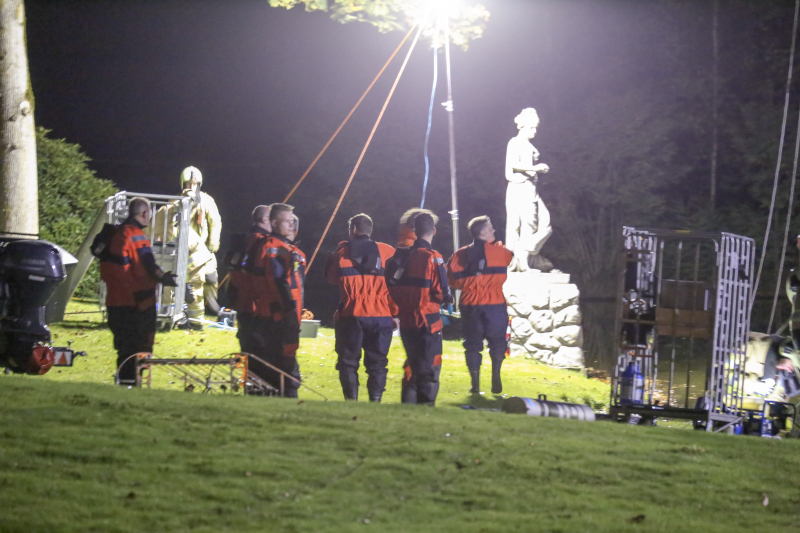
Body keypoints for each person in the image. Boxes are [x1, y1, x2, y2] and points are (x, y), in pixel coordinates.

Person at [98, 197, 177, 385]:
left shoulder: (113, 234)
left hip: (115, 302)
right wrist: (164, 278)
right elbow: (148, 265)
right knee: (139, 350)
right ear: (144, 214)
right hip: (137, 304)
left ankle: (124, 384)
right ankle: (132, 384)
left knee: (124, 349)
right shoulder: (136, 236)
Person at [325, 214, 399, 402]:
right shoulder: (388, 251)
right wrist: (395, 313)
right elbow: (395, 286)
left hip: (352, 313)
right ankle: (375, 401)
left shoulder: (342, 251)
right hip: (382, 316)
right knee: (378, 363)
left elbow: (332, 279)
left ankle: (352, 401)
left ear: (354, 230)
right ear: (370, 230)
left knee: (348, 362)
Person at [386, 213, 452, 405]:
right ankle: (426, 407)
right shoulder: (433, 258)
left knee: (412, 365)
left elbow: (390, 286)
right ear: (433, 231)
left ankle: (408, 407)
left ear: (414, 231)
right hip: (428, 322)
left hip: (406, 321)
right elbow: (441, 292)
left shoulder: (399, 257)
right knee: (430, 367)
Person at [447, 216, 513, 394]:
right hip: (494, 303)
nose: (494, 230)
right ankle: (496, 377)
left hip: (470, 303)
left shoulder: (460, 254)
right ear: (482, 232)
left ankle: (475, 384)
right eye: (490, 227)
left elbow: (452, 281)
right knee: (498, 341)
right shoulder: (501, 252)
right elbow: (510, 258)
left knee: (472, 343)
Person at [247, 203, 302, 397]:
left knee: (275, 363)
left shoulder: (280, 246)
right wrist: (289, 312)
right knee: (283, 365)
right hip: (278, 316)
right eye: (287, 221)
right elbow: (280, 283)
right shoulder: (275, 248)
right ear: (273, 222)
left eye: (293, 221)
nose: (291, 225)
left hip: (274, 314)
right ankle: (287, 400)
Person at [505, 108, 552, 272]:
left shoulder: (528, 145)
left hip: (531, 188)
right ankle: (522, 261)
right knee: (524, 225)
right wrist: (536, 167)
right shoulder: (515, 142)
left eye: (536, 128)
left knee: (545, 224)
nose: (534, 131)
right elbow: (511, 165)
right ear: (522, 126)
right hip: (520, 186)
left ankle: (526, 253)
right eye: (531, 127)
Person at [222, 205, 271, 355]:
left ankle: (248, 375)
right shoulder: (260, 242)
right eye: (271, 219)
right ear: (263, 220)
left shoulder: (243, 240)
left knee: (247, 344)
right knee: (258, 348)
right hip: (256, 304)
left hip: (242, 301)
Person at [180, 166, 222, 328]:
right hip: (184, 252)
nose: (191, 187)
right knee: (187, 284)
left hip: (205, 250)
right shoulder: (175, 201)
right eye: (188, 184)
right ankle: (189, 317)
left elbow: (215, 222)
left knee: (211, 279)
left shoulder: (207, 200)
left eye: (195, 184)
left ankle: (213, 308)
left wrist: (213, 243)